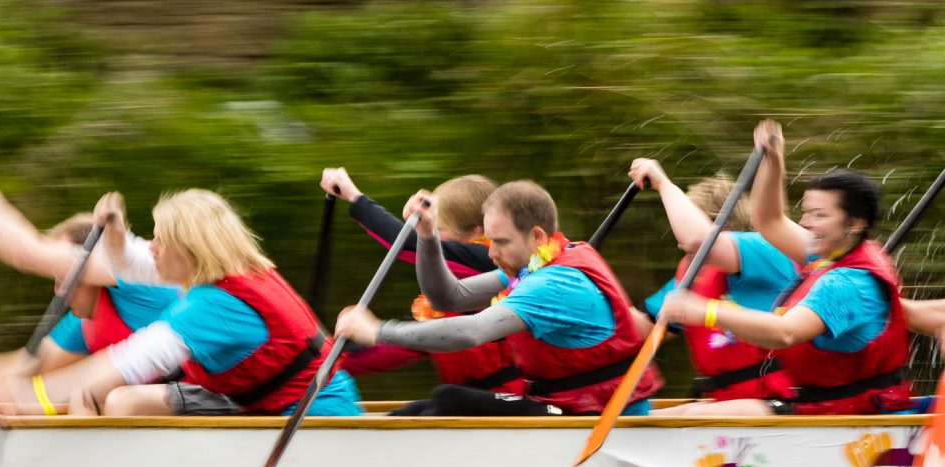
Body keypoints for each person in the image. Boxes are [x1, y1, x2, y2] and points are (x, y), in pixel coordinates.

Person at [0, 188, 362, 417]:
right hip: (260, 401)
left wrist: (35, 395)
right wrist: (118, 234)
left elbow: (133, 359)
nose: (151, 247)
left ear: (188, 249)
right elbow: (133, 264)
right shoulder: (219, 270)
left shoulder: (213, 305)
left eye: (159, 240)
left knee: (110, 399)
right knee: (114, 402)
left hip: (312, 413)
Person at [335, 179, 662, 416]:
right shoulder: (532, 265)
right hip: (570, 406)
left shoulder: (554, 283)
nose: (491, 253)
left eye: (501, 242)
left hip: (603, 414)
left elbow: (470, 331)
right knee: (423, 407)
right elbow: (448, 298)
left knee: (449, 398)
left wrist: (377, 331)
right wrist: (427, 235)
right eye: (489, 241)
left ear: (536, 236)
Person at [657, 119, 913, 416]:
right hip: (823, 408)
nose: (805, 223)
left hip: (845, 417)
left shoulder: (846, 283)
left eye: (819, 215)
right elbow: (769, 221)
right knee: (668, 417)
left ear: (855, 223)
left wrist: (707, 311)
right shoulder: (836, 252)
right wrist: (774, 161)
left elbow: (786, 333)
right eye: (805, 212)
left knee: (676, 420)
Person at [0, 148, 178, 404]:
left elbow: (24, 253)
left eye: (64, 274)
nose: (59, 290)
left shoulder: (133, 273)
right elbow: (15, 371)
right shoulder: (85, 322)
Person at [320, 168, 525, 413]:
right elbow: (400, 347)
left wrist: (355, 198)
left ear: (475, 233)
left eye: (437, 228)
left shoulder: (490, 260)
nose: (430, 234)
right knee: (404, 415)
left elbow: (408, 245)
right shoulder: (445, 295)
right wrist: (329, 361)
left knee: (445, 397)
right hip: (468, 402)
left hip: (516, 400)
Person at [631, 160, 797, 407]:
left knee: (683, 423)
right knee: (645, 422)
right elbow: (636, 328)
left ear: (723, 226)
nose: (680, 241)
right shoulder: (694, 274)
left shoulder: (768, 249)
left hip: (777, 399)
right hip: (724, 400)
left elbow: (698, 240)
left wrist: (663, 183)